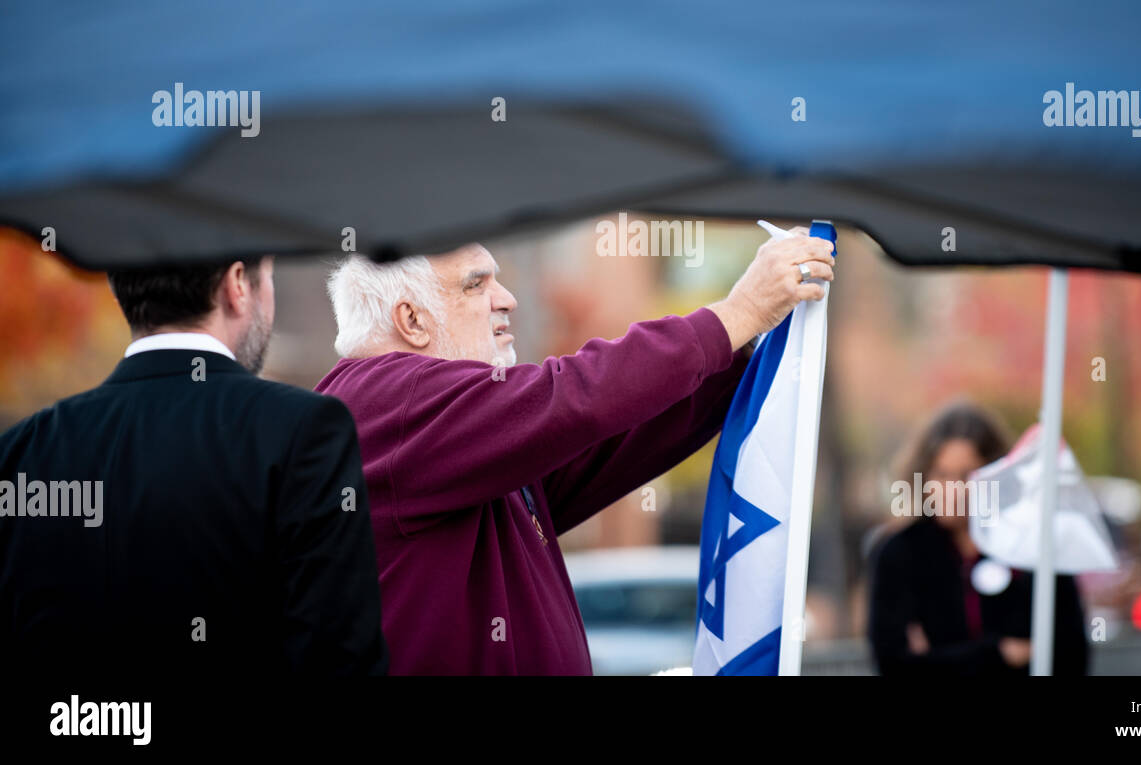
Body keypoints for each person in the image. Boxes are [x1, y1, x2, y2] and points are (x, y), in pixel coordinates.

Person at [316, 231, 835, 674]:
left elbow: (608, 443)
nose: (507, 299)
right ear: (411, 321)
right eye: (476, 284)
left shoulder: (444, 429)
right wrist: (737, 314)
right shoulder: (387, 400)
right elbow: (575, 396)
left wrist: (742, 351)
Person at [0, 256, 388, 674]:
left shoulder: (22, 450)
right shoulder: (305, 431)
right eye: (269, 277)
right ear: (238, 284)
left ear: (118, 291)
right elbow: (340, 656)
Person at [867, 400, 1088, 675]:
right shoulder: (899, 553)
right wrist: (999, 654)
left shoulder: (1028, 548)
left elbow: (1069, 652)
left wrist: (938, 658)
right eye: (942, 474)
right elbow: (894, 664)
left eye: (967, 475)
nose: (954, 490)